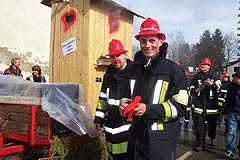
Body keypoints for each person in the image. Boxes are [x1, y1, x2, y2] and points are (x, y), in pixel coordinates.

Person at [119, 17, 188, 160]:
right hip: (135, 138)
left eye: (152, 41)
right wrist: (124, 106)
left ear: (160, 42)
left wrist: (148, 109)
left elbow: (180, 106)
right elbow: (126, 95)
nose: (147, 45)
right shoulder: (133, 69)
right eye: (143, 41)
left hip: (160, 143)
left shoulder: (173, 70)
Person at [94, 39, 132, 160]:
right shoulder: (109, 75)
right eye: (112, 56)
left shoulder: (135, 73)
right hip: (111, 127)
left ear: (125, 54)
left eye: (118, 55)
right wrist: (99, 118)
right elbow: (103, 98)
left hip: (128, 128)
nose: (115, 59)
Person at [190, 57, 221, 151]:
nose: (202, 65)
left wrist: (212, 85)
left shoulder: (215, 75)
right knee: (200, 127)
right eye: (202, 64)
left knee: (212, 125)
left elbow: (219, 88)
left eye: (204, 64)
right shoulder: (197, 76)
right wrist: (195, 90)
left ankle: (212, 137)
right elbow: (191, 87)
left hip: (212, 106)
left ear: (209, 66)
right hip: (199, 105)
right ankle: (200, 144)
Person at [223, 69, 240, 158]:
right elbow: (228, 99)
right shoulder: (231, 86)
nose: (235, 78)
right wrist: (226, 112)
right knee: (231, 132)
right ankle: (230, 150)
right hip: (233, 112)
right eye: (235, 77)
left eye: (237, 77)